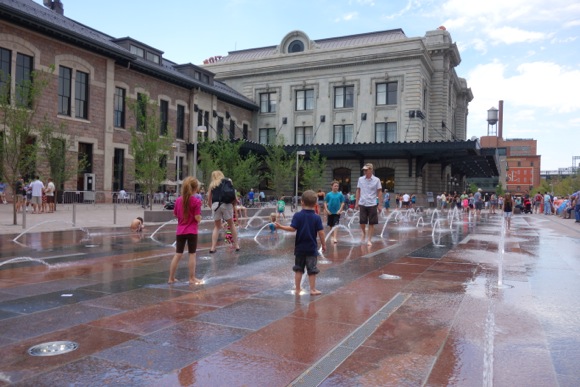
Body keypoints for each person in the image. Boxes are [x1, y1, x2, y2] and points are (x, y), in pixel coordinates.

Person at [275, 190, 326, 295]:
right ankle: (312, 289)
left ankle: (297, 289)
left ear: (302, 202)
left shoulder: (298, 215)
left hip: (299, 248)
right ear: (315, 203)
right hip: (311, 249)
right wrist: (323, 244)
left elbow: (292, 229)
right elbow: (321, 233)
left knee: (298, 269)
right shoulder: (316, 217)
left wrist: (280, 227)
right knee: (312, 270)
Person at [168, 176, 202, 284]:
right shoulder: (196, 201)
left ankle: (171, 278)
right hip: (192, 231)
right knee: (192, 254)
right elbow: (197, 217)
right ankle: (192, 278)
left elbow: (176, 214)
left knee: (178, 254)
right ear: (195, 188)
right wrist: (199, 219)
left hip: (180, 231)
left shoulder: (178, 200)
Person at [208, 170, 240, 253]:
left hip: (215, 205)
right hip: (226, 204)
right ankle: (236, 245)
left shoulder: (212, 184)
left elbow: (209, 200)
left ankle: (213, 248)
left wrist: (212, 208)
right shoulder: (228, 181)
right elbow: (233, 194)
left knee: (217, 227)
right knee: (231, 225)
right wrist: (234, 203)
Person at [355, 163, 383, 246]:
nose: (365, 171)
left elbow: (379, 191)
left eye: (366, 170)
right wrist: (356, 202)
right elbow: (358, 190)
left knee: (371, 222)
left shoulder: (376, 180)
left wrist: (380, 204)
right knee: (362, 222)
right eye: (364, 170)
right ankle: (363, 233)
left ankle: (369, 239)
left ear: (371, 170)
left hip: (372, 203)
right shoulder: (360, 179)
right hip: (362, 202)